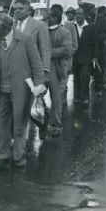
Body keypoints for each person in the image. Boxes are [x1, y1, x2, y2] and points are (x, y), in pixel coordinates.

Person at [0, 13, 45, 169]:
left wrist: (39, 86)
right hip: (0, 91)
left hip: (21, 90)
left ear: (6, 27)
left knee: (19, 124)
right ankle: (1, 156)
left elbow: (37, 64)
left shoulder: (25, 39)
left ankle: (19, 156)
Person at [46, 8, 72, 137]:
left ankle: (55, 124)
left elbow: (67, 50)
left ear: (56, 18)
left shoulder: (64, 32)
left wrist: (48, 53)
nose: (46, 18)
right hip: (40, 68)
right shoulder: (42, 30)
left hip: (55, 68)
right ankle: (45, 114)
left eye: (49, 16)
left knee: (55, 97)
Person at [13, 0, 51, 81]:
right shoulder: (10, 26)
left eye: (21, 8)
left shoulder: (40, 25)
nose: (17, 11)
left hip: (33, 70)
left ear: (29, 11)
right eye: (15, 9)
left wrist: (45, 71)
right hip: (14, 71)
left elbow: (45, 49)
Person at [72, 7, 96, 105]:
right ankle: (77, 96)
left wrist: (94, 56)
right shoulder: (72, 27)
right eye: (76, 14)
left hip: (86, 57)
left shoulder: (90, 27)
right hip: (74, 56)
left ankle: (85, 96)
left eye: (79, 14)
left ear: (84, 15)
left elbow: (95, 43)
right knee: (76, 77)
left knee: (85, 77)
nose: (77, 16)